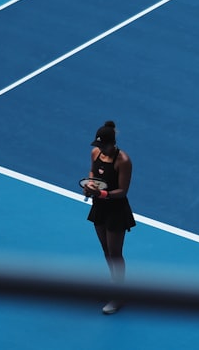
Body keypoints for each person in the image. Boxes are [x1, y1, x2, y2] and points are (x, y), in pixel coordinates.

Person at [83, 120, 136, 315]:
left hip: (116, 210)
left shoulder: (123, 160)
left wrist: (102, 194)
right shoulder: (95, 153)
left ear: (112, 143)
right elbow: (92, 172)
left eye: (103, 145)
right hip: (100, 207)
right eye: (98, 145)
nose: (100, 149)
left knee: (115, 253)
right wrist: (89, 186)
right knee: (106, 250)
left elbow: (122, 191)